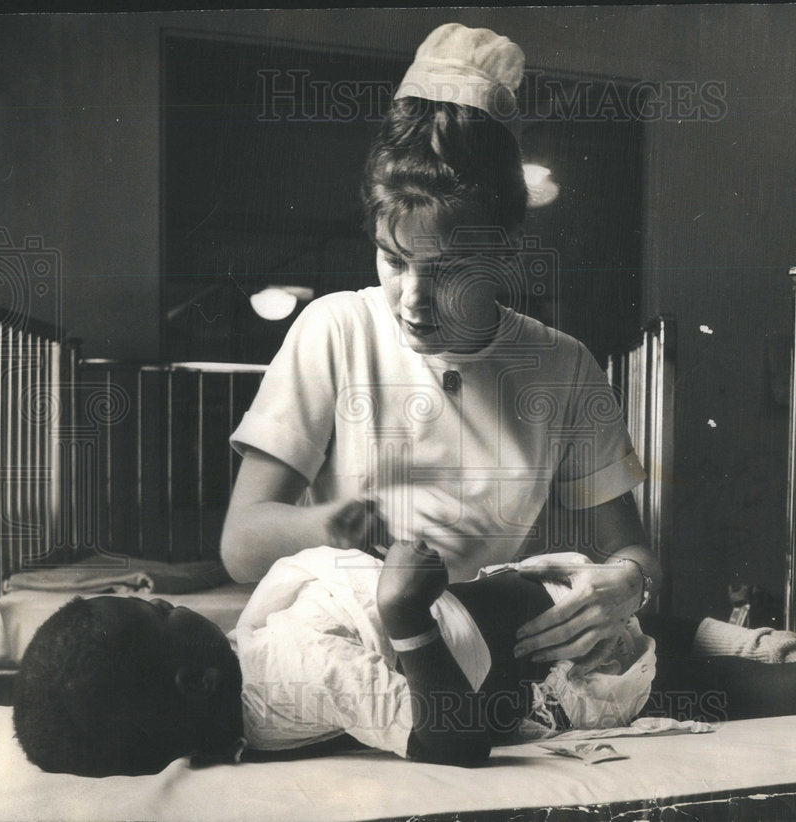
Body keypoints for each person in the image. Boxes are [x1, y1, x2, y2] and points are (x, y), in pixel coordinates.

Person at [219, 22, 661, 673]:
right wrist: (342, 525)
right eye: (393, 260)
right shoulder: (335, 330)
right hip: (348, 649)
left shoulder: (563, 368)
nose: (413, 300)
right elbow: (241, 543)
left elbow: (632, 550)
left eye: (449, 269)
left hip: (483, 655)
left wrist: (628, 584)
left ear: (504, 252)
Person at [13, 541, 796, 776]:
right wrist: (404, 618)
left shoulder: (252, 662)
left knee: (755, 653)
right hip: (594, 671)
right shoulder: (289, 678)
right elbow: (455, 741)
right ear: (190, 680)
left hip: (573, 612)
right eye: (147, 611)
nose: (156, 596)